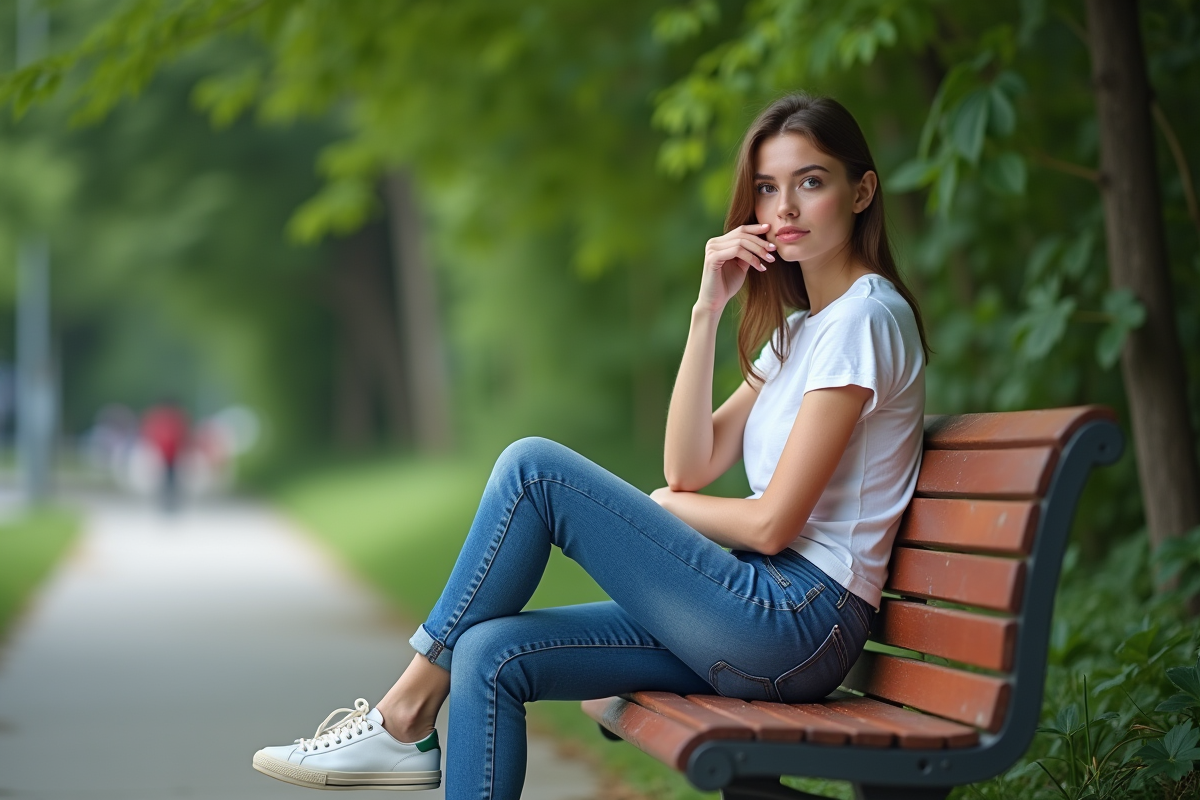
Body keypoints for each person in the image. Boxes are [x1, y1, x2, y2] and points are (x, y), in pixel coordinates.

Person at [251, 92, 930, 799]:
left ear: (862, 191)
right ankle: (407, 718)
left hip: (797, 622)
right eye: (767, 187)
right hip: (757, 609)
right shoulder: (800, 335)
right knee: (489, 652)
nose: (784, 208)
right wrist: (708, 309)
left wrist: (666, 507)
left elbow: (770, 522)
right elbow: (690, 464)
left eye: (810, 182)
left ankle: (402, 717)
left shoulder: (866, 320)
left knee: (533, 471)